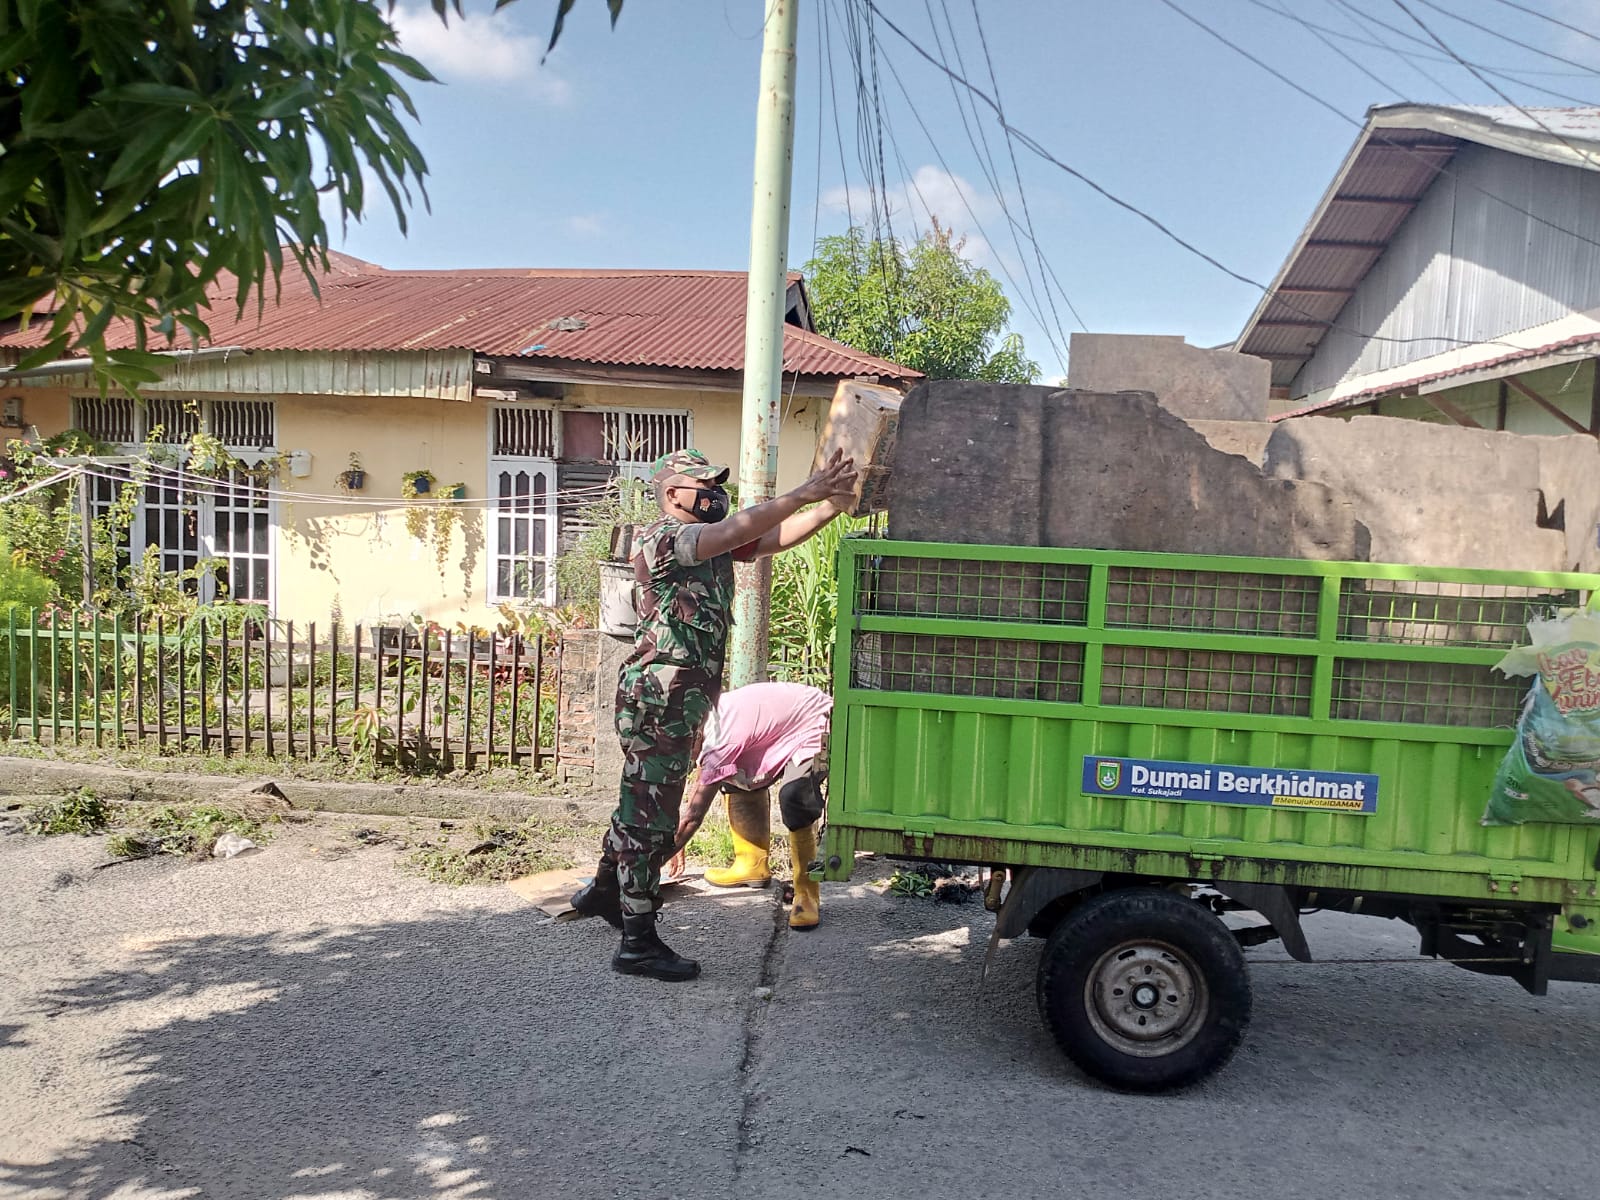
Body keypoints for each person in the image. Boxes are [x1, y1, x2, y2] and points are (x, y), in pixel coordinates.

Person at [570, 446, 857, 982]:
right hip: (658, 702)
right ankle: (637, 943)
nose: (715, 496)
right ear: (673, 493)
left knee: (640, 803)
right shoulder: (665, 538)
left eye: (717, 487)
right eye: (704, 487)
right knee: (647, 819)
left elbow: (772, 538)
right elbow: (735, 531)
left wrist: (830, 507)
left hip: (680, 705)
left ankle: (603, 892)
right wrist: (805, 490)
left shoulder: (709, 547)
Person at [668, 681, 834, 932]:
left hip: (814, 721)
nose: (684, 758)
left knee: (794, 797)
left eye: (683, 751)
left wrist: (663, 854)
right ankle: (751, 865)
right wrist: (675, 839)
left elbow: (694, 815)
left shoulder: (721, 739)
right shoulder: (705, 718)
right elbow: (705, 776)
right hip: (781, 725)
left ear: (694, 736)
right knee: (732, 774)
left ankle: (807, 893)